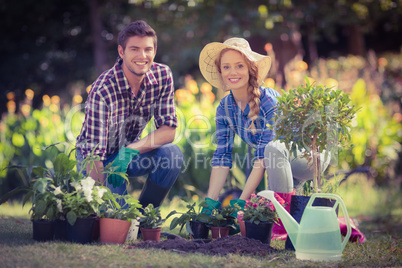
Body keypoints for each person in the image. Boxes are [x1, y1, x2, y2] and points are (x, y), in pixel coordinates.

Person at [198, 37, 330, 236]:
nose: (232, 72)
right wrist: (210, 202)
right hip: (280, 164)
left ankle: (281, 223)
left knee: (272, 149)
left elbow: (263, 158)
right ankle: (290, 221)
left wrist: (241, 201)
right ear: (220, 72)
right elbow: (222, 157)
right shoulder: (224, 107)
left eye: (239, 66)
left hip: (308, 156)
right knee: (288, 206)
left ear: (251, 69)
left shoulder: (268, 101)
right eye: (226, 67)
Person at [76, 20, 183, 209]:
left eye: (148, 49)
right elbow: (94, 155)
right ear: (121, 52)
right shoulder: (103, 90)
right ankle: (118, 214)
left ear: (154, 51)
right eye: (134, 49)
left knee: (171, 154)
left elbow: (168, 131)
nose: (142, 56)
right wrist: (98, 200)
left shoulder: (162, 75)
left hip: (128, 153)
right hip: (97, 161)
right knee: (119, 219)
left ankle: (145, 215)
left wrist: (127, 153)